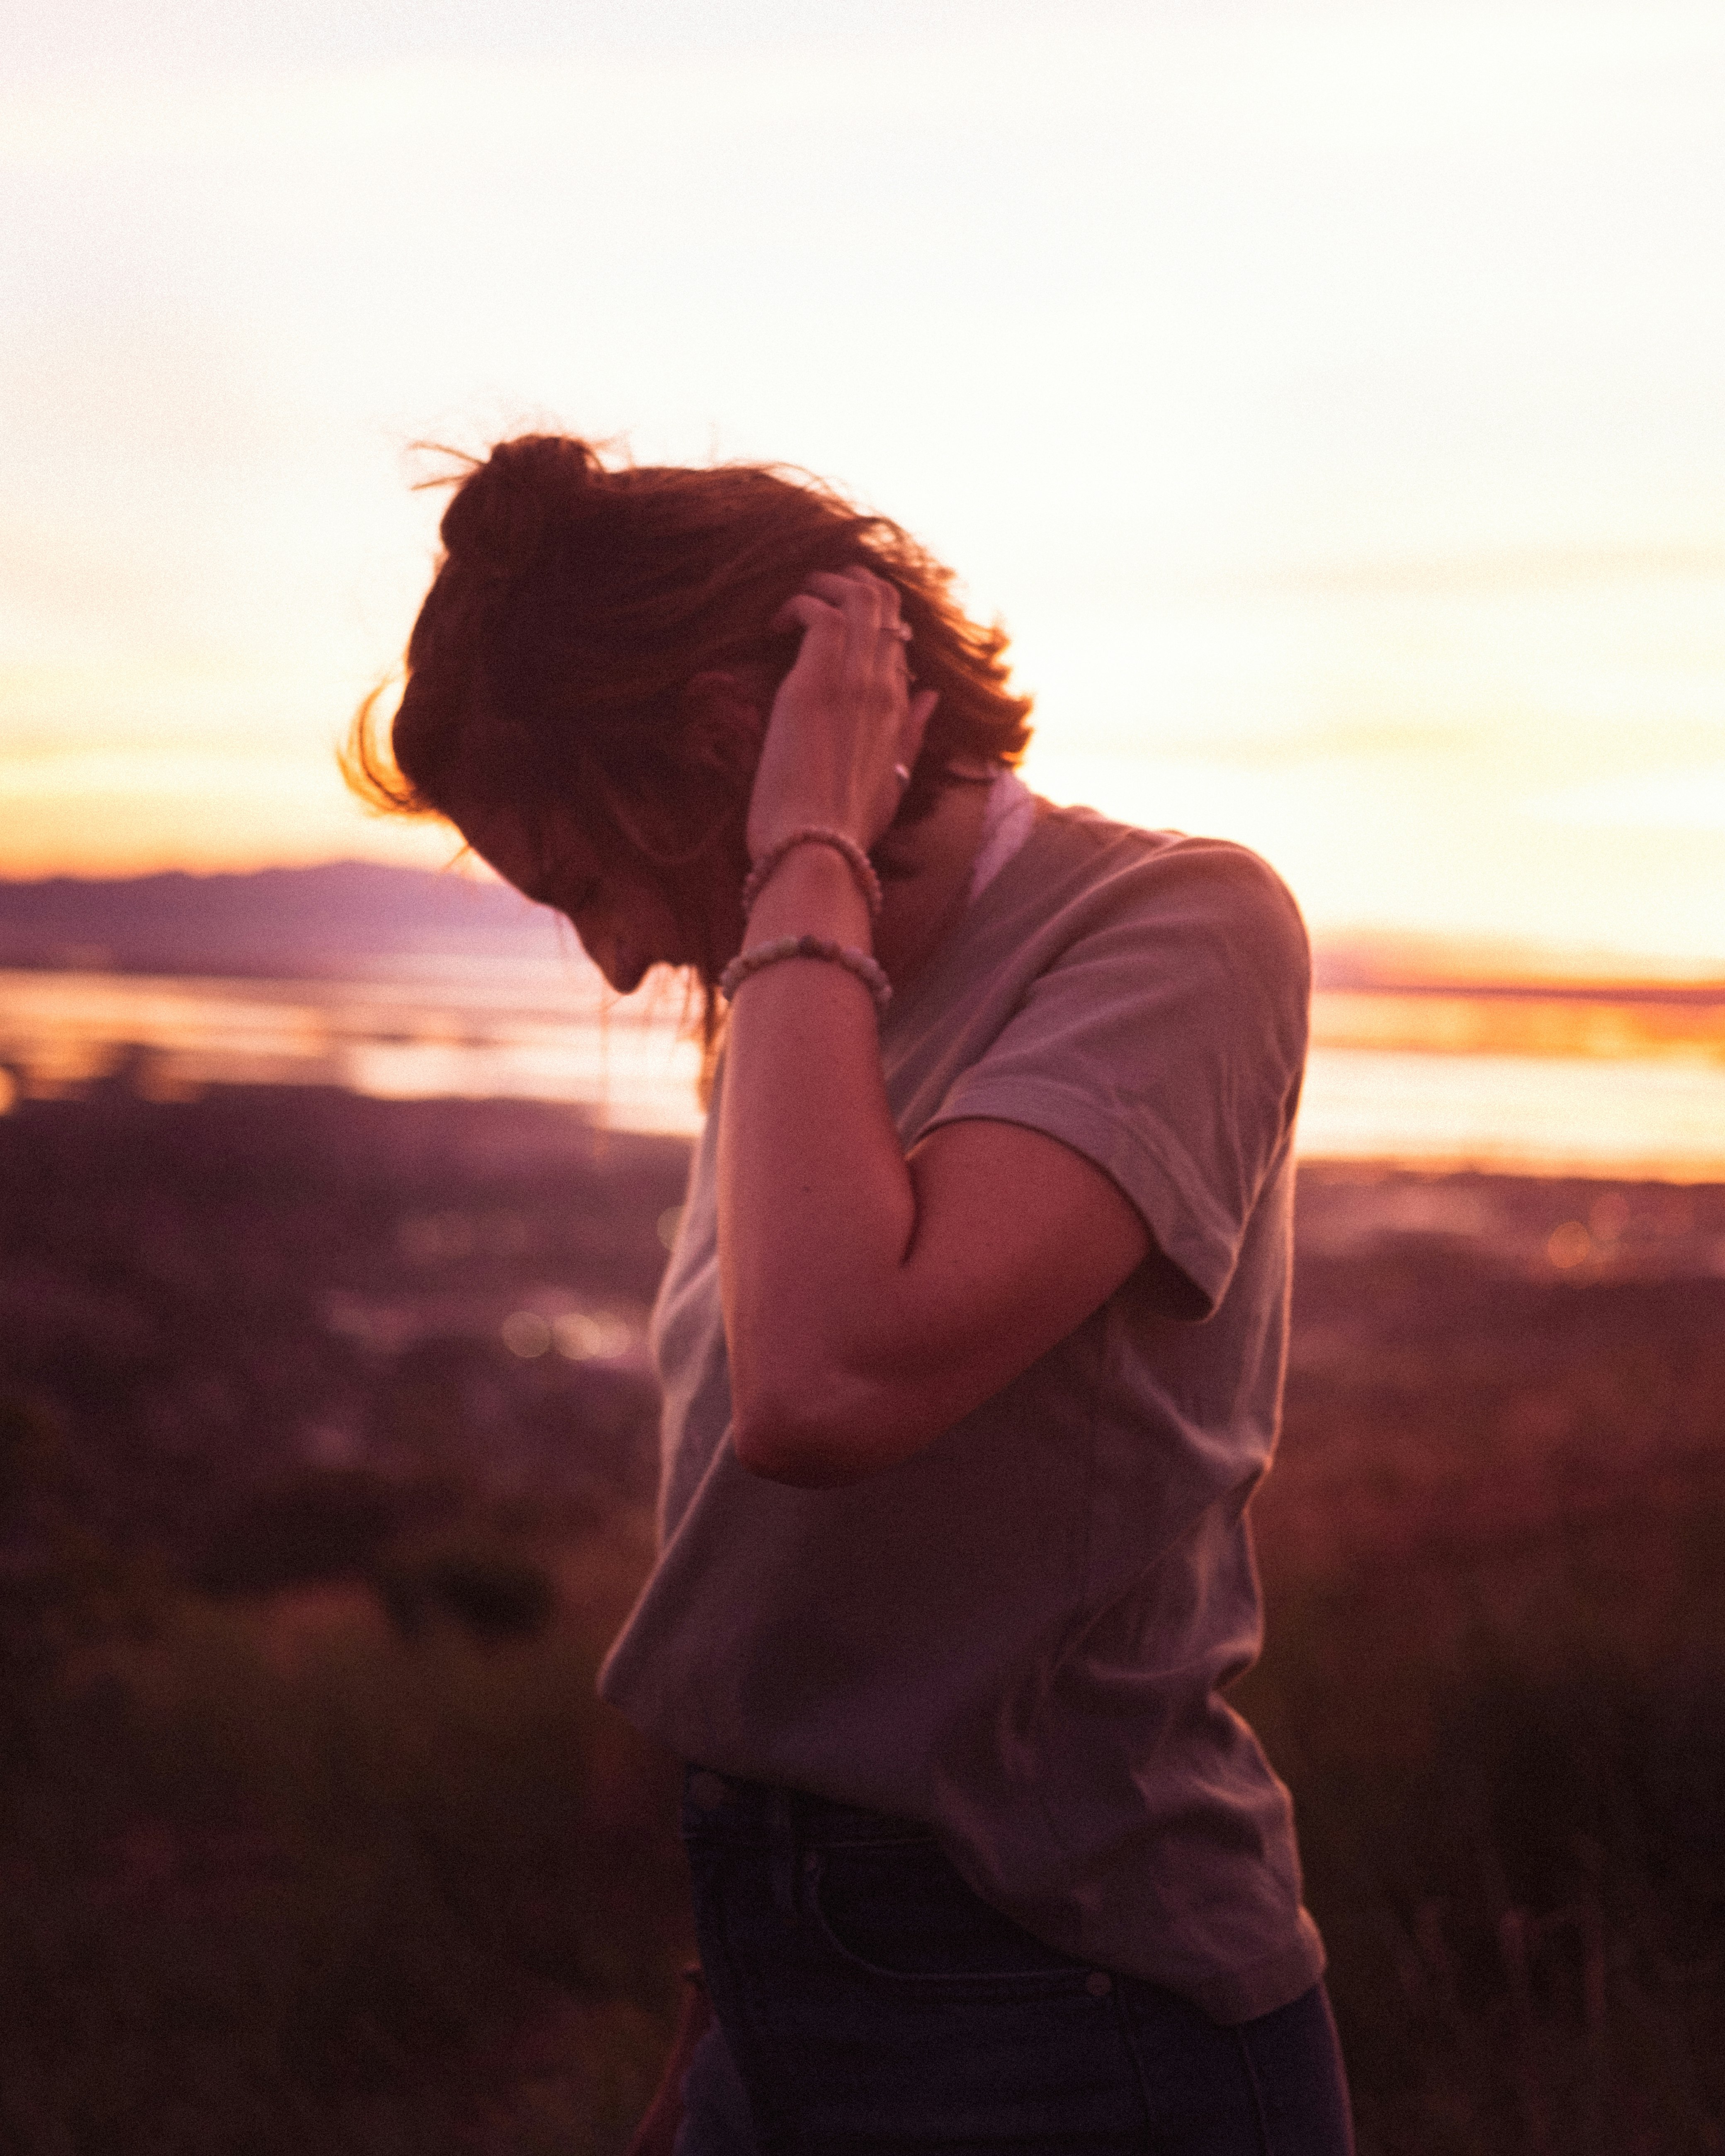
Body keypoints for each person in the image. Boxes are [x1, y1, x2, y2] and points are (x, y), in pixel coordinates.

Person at [347, 433, 1355, 2155]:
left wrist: (803, 844)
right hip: (778, 1988)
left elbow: (822, 1389)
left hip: (1069, 2012)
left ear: (724, 744)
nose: (604, 958)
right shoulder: (791, 996)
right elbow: (772, 1568)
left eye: (585, 880)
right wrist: (726, 2003)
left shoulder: (1174, 926)